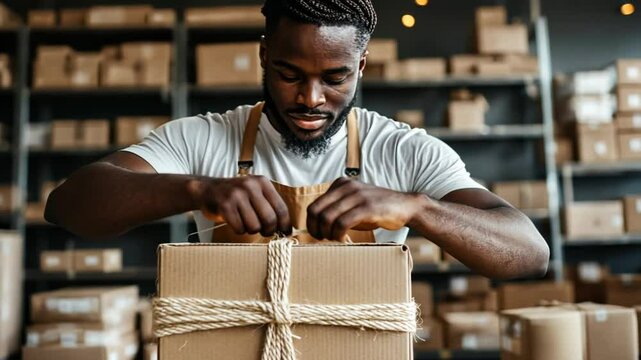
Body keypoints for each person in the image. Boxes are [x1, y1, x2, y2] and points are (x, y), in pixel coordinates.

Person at [45, 0, 549, 279]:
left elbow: (529, 253)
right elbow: (68, 206)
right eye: (289, 74)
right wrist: (198, 190)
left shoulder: (404, 151)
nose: (311, 98)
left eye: (334, 78)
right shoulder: (203, 137)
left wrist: (416, 208)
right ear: (264, 56)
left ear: (361, 67)